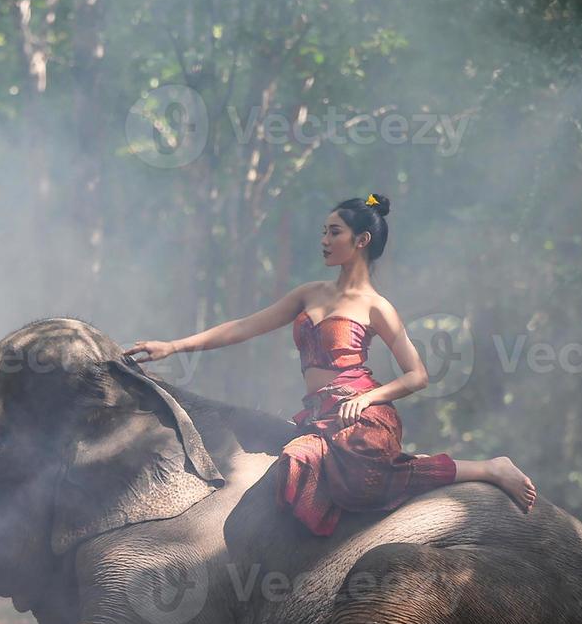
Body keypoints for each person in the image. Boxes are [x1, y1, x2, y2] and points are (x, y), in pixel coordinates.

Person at [123, 193, 537, 537]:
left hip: (365, 415)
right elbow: (243, 327)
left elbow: (419, 375)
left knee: (362, 481)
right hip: (320, 417)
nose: (323, 240)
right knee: (294, 465)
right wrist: (172, 345)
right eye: (323, 231)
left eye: (333, 232)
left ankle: (488, 467)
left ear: (361, 240)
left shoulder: (378, 307)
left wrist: (370, 397)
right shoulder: (309, 294)